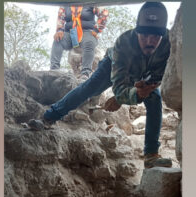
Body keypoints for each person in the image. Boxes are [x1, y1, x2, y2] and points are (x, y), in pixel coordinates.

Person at [29, 2, 172, 169]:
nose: (150, 41)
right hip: (112, 66)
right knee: (88, 89)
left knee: (155, 99)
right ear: (136, 31)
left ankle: (151, 155)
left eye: (155, 36)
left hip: (145, 75)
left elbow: (162, 75)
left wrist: (136, 93)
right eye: (144, 35)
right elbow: (119, 85)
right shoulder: (123, 43)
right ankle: (48, 117)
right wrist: (126, 96)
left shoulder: (170, 43)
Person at [50, 5, 109, 81]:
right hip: (70, 32)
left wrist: (97, 30)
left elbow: (104, 13)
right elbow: (60, 18)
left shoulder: (90, 3)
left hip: (87, 31)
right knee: (57, 40)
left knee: (89, 42)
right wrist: (59, 30)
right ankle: (54, 70)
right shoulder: (66, 4)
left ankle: (85, 74)